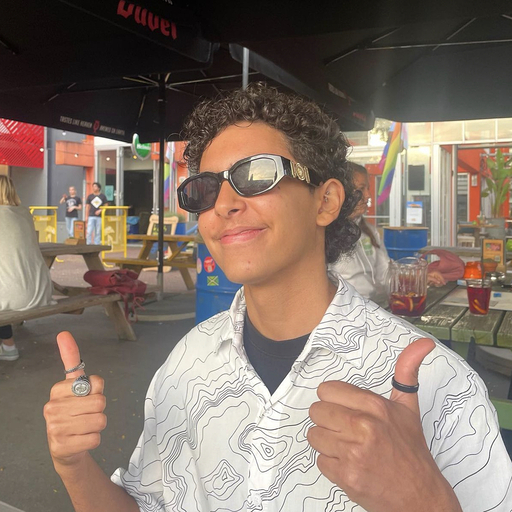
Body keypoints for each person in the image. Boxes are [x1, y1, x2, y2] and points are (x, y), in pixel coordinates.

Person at [44, 84, 512, 512]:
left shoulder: (438, 384)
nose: (224, 204)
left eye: (257, 175)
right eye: (205, 189)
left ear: (325, 201)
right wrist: (74, 466)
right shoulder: (186, 364)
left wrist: (423, 501)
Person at [330, 163, 445, 305]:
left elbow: (385, 274)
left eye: (368, 189)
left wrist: (418, 278)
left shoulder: (369, 232)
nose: (368, 195)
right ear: (340, 192)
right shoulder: (326, 235)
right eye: (360, 189)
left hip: (372, 307)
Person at [0, 175, 54, 361]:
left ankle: (9, 346)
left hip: (14, 295)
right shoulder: (24, 213)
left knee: (6, 287)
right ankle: (8, 346)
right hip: (41, 291)